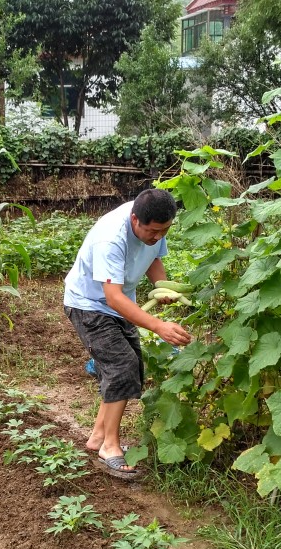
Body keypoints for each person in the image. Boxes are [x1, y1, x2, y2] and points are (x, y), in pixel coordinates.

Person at [64, 188, 192, 479]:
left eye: (165, 231)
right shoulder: (111, 237)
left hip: (119, 304)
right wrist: (158, 326)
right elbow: (113, 298)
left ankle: (97, 435)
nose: (158, 237)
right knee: (122, 367)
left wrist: (163, 287)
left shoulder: (154, 222)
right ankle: (109, 446)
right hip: (90, 305)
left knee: (128, 366)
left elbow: (154, 260)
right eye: (153, 231)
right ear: (135, 220)